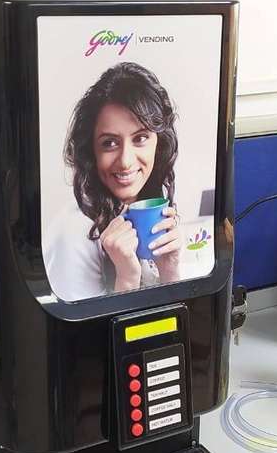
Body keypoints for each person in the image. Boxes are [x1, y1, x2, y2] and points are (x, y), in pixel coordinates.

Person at [44, 62, 182, 301]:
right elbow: (84, 326)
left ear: (159, 143)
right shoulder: (73, 233)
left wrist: (170, 271)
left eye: (140, 138)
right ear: (91, 151)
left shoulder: (154, 208)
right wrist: (127, 278)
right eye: (109, 143)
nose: (126, 161)